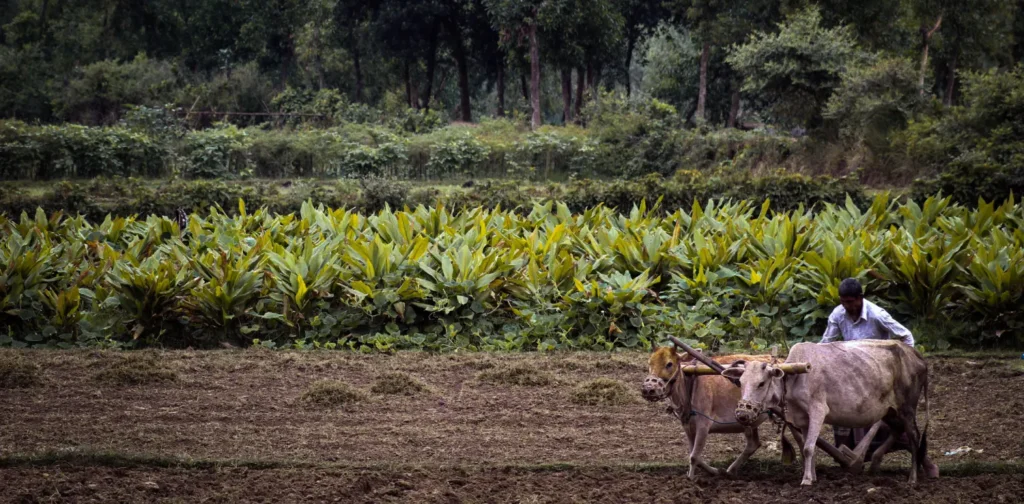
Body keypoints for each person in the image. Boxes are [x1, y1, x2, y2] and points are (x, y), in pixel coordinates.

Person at [820, 277, 915, 457]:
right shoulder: (838, 314)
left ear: (859, 298)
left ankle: (917, 455)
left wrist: (905, 367)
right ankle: (849, 454)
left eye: (849, 302)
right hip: (851, 372)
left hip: (877, 373)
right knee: (841, 408)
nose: (846, 306)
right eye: (843, 302)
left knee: (886, 416)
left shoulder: (877, 315)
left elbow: (906, 336)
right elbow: (825, 343)